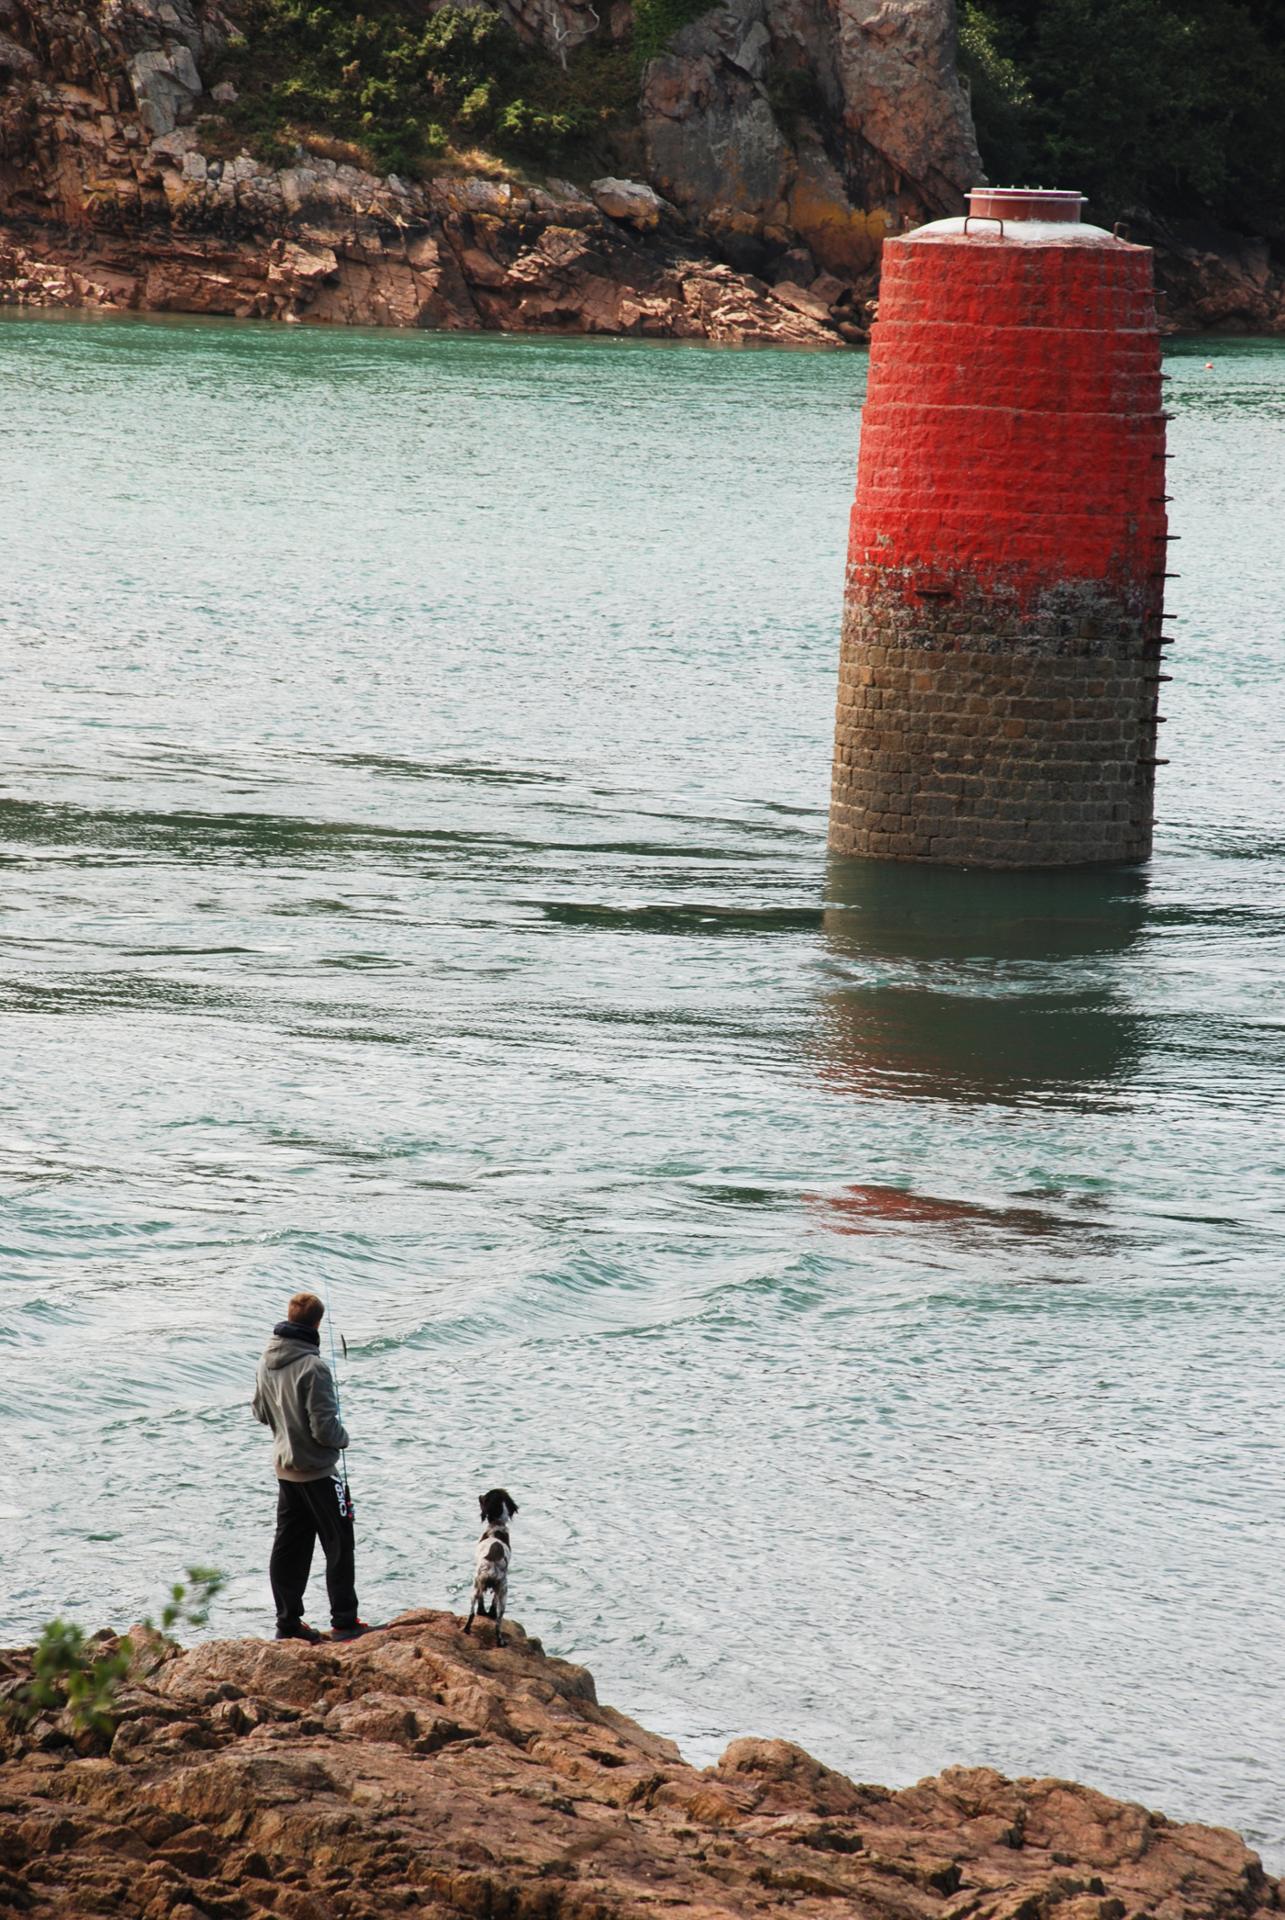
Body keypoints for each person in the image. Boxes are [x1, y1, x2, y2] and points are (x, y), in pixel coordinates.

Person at [251, 1291, 368, 1642]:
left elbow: (259, 1412)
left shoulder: (264, 1360)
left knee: (289, 1547)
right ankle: (344, 1622)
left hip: (285, 1471)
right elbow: (325, 1430)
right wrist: (343, 1438)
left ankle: (288, 1624)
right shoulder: (314, 1367)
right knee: (339, 1542)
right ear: (317, 1324)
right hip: (318, 1472)